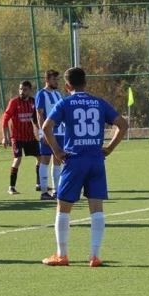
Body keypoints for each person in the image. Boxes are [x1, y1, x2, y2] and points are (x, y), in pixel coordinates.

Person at [40, 66, 128, 267]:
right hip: (96, 161)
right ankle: (94, 256)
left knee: (63, 207)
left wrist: (57, 151)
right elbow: (123, 125)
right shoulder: (99, 102)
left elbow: (46, 127)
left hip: (75, 160)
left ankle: (62, 255)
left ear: (67, 85)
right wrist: (109, 148)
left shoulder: (65, 103)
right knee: (96, 208)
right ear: (85, 82)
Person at [2, 80, 39, 194]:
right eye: (20, 89)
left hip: (29, 137)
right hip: (17, 137)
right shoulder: (14, 102)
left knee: (41, 158)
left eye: (24, 89)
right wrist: (5, 137)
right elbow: (5, 119)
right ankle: (11, 187)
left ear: (30, 90)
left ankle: (39, 184)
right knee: (17, 159)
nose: (22, 91)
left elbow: (35, 119)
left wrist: (41, 131)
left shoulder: (33, 102)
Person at [35, 69, 63, 200]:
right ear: (47, 80)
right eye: (54, 79)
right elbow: (39, 115)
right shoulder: (41, 94)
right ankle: (44, 192)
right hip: (48, 132)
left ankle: (57, 191)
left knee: (58, 160)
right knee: (45, 160)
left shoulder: (58, 94)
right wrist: (43, 133)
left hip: (60, 132)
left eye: (57, 79)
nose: (56, 81)